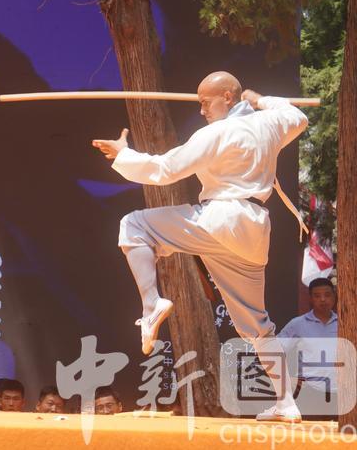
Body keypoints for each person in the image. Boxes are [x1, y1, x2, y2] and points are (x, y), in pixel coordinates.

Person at [92, 71, 308, 422]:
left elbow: (164, 169)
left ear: (227, 96)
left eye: (206, 101)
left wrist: (123, 155)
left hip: (222, 217)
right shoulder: (270, 123)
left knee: (134, 225)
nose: (203, 110)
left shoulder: (215, 133)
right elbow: (297, 117)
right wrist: (262, 100)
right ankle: (286, 403)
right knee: (257, 325)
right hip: (253, 231)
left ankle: (151, 304)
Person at [278, 277, 338, 418]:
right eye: (317, 296)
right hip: (311, 393)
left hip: (342, 393)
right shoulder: (298, 324)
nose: (323, 299)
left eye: (327, 295)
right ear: (310, 298)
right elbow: (275, 351)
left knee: (345, 438)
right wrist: (288, 379)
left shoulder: (346, 322)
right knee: (312, 437)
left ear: (334, 297)